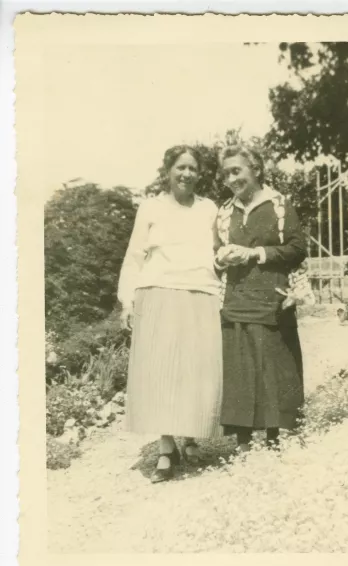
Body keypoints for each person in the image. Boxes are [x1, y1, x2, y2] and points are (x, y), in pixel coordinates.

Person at [118, 145, 222, 484]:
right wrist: (126, 301)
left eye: (192, 168)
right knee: (162, 371)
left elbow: (219, 252)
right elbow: (135, 256)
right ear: (168, 171)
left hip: (201, 292)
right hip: (158, 292)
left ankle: (190, 436)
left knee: (194, 369)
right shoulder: (150, 207)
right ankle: (166, 447)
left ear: (199, 173)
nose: (187, 174)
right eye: (180, 167)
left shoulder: (209, 209)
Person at [215, 144, 306, 452]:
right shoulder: (225, 212)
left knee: (271, 365)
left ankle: (273, 437)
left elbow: (297, 249)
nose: (231, 178)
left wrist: (255, 253)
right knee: (239, 366)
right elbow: (215, 255)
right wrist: (223, 257)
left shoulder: (279, 205)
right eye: (227, 173)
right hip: (237, 297)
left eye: (237, 170)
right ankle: (242, 441)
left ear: (254, 170)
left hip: (271, 295)